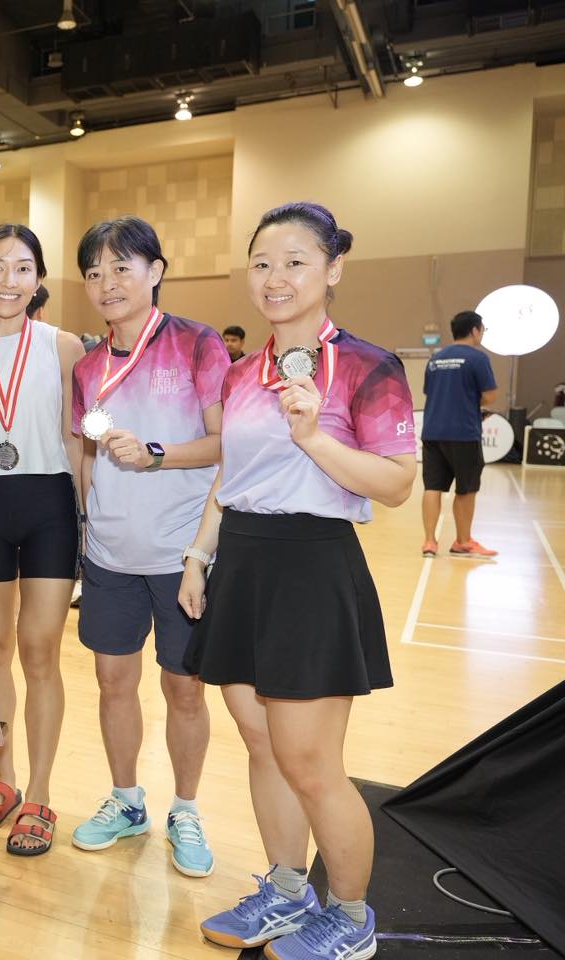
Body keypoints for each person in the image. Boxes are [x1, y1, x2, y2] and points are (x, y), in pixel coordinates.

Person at [180, 202, 416, 960]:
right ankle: (286, 891)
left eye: (295, 262)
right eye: (261, 263)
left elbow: (396, 484)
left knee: (311, 762)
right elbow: (230, 475)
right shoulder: (241, 372)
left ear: (333, 268)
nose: (275, 278)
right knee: (262, 744)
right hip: (243, 560)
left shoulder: (369, 367)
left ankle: (350, 916)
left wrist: (314, 438)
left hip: (313, 565)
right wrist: (198, 555)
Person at [66, 216, 229, 879]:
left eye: (121, 267)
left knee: (184, 689)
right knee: (113, 683)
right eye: (94, 272)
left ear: (155, 271)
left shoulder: (197, 343)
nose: (107, 283)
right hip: (110, 555)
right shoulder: (87, 365)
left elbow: (225, 444)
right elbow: (86, 454)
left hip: (180, 554)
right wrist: (84, 527)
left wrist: (157, 454)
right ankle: (127, 800)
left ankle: (185, 809)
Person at [0, 224, 84, 856]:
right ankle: (2, 778)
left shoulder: (64, 346)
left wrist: (87, 517)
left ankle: (40, 790)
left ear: (38, 280)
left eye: (23, 268)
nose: (10, 281)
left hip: (48, 505)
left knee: (40, 650)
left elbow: (76, 436)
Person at [420, 309, 499, 558]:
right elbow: (490, 396)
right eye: (482, 330)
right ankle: (463, 542)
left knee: (432, 487)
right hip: (463, 433)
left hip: (433, 431)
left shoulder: (435, 359)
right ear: (475, 330)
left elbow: (430, 392)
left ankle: (429, 542)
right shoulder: (477, 358)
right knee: (466, 488)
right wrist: (472, 404)